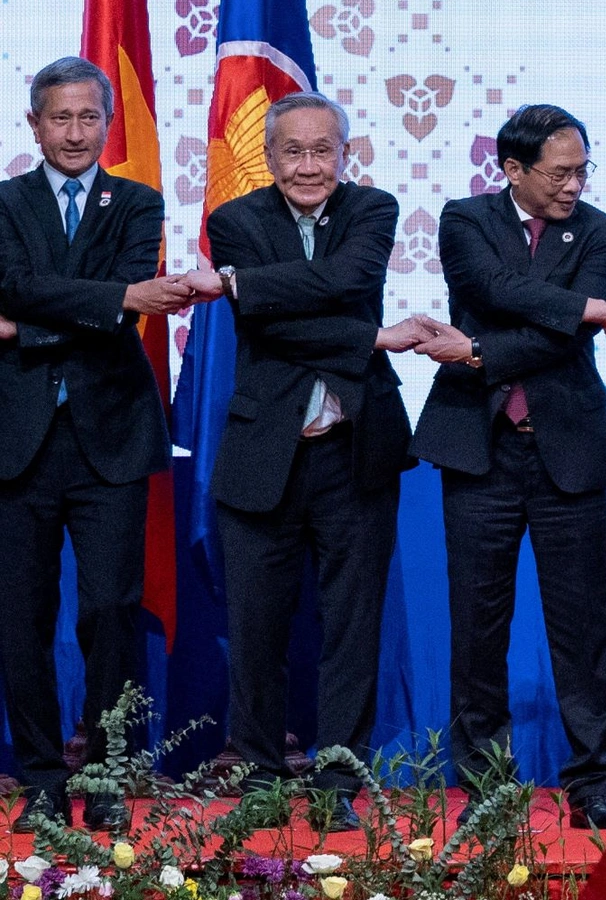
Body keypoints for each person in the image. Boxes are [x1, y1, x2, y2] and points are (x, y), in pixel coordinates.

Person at [407, 104, 606, 830]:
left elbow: (555, 340)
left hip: (567, 446)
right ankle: (488, 783)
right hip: (477, 447)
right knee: (478, 624)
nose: (575, 184)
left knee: (584, 628)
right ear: (512, 169)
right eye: (560, 172)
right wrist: (589, 309)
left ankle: (592, 782)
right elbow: (494, 292)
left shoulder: (603, 231)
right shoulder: (463, 219)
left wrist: (484, 353)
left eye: (583, 169)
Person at [186, 91, 423, 833]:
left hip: (357, 449)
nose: (310, 165)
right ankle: (257, 772)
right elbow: (272, 324)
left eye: (324, 150)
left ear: (345, 156)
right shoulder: (234, 221)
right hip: (265, 453)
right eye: (294, 151)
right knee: (256, 627)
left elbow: (346, 284)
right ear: (270, 155)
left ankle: (336, 782)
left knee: (353, 628)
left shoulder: (373, 209)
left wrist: (236, 285)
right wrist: (371, 340)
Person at [0, 56, 207, 832]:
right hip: (17, 441)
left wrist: (25, 327)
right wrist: (111, 298)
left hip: (112, 439)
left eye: (90, 118)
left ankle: (111, 773)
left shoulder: (138, 201)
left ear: (108, 123)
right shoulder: (4, 203)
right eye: (62, 118)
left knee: (112, 610)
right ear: (35, 125)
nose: (77, 132)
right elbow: (13, 280)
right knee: (22, 617)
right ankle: (45, 780)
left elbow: (113, 312)